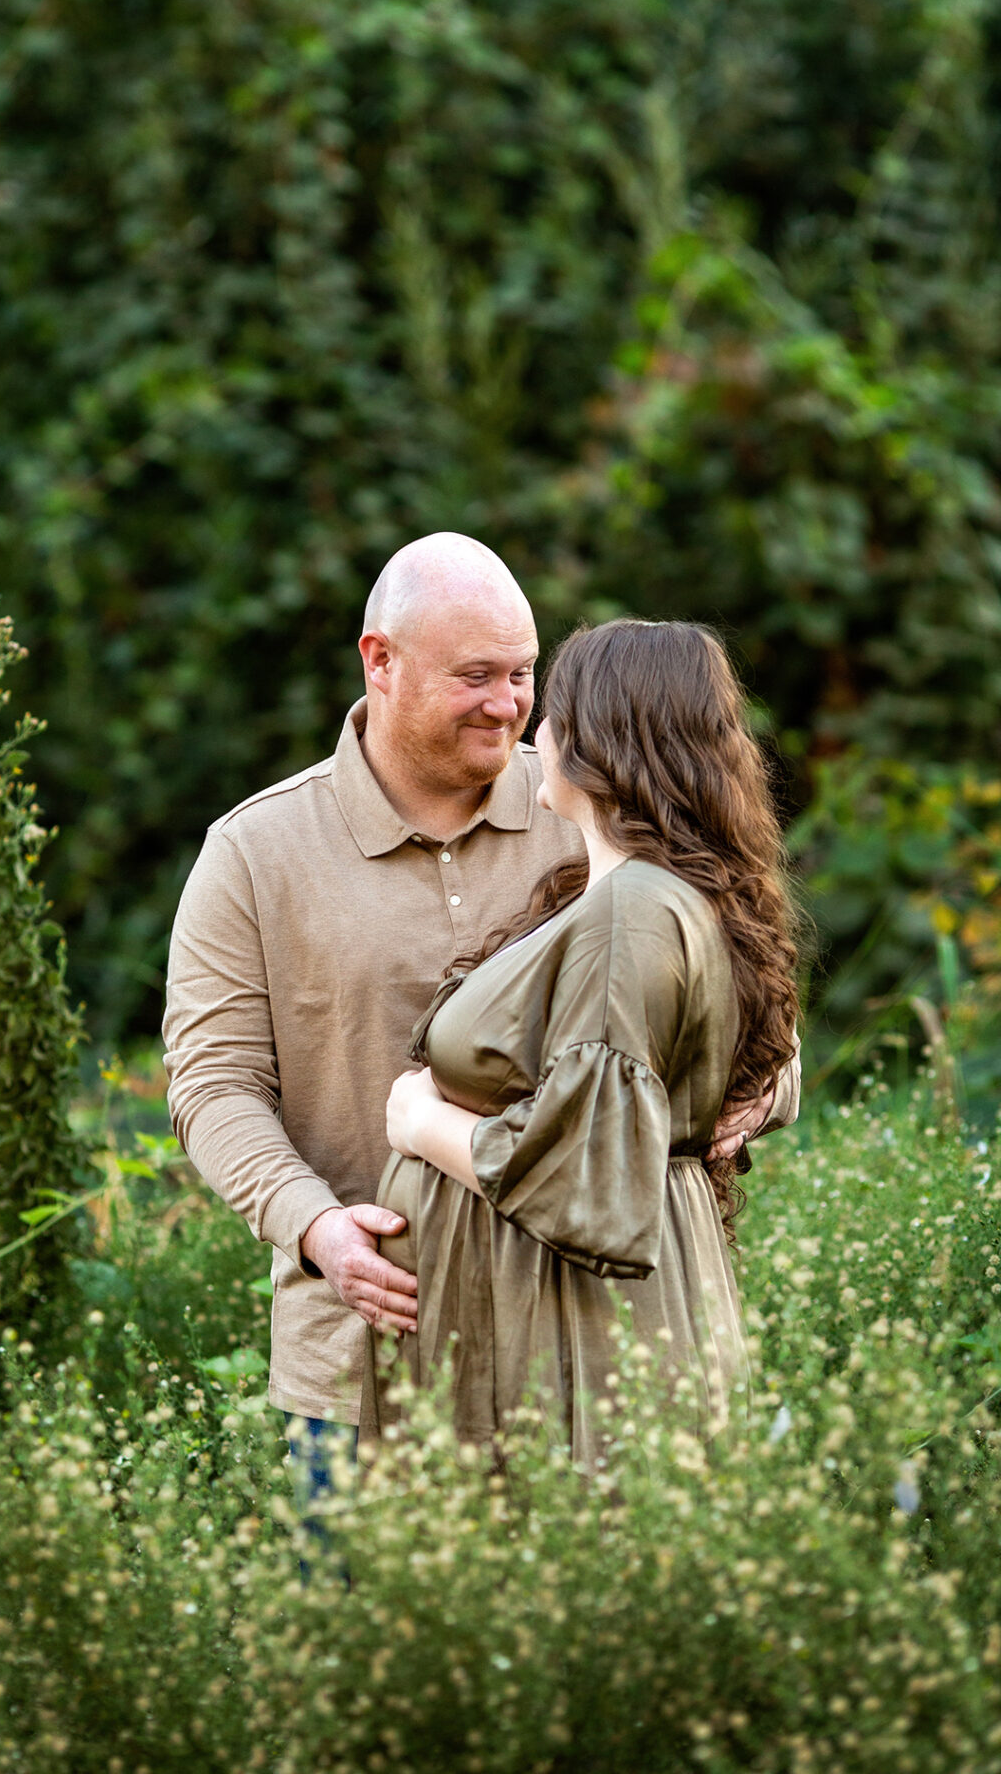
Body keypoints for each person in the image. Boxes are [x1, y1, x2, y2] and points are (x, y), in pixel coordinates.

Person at [164, 540, 797, 1437]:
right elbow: (213, 1085)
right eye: (475, 676)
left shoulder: (589, 798)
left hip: (581, 1347)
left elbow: (734, 970)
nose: (507, 705)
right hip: (370, 1344)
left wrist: (763, 1088)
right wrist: (315, 1230)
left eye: (524, 674)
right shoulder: (255, 853)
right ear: (379, 661)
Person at [360, 618, 802, 1459]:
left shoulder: (634, 910)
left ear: (602, 738)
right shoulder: (637, 894)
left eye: (554, 708)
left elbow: (588, 1183)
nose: (539, 731)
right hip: (548, 1311)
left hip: (567, 1327)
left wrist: (418, 1123)